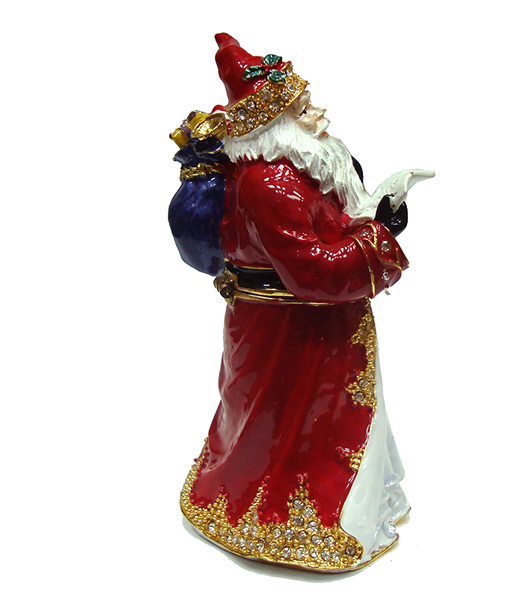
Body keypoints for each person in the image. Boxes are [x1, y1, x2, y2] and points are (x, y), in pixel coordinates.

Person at [171, 33, 434, 572]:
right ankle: (286, 520)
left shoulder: (304, 167)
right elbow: (316, 270)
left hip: (316, 326)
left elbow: (331, 228)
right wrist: (378, 240)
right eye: (304, 108)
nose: (319, 114)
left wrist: (377, 216)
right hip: (291, 333)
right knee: (291, 422)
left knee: (320, 416)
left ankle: (353, 502)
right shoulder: (271, 183)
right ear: (276, 125)